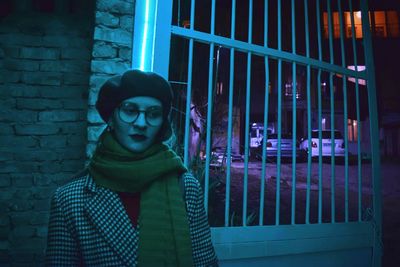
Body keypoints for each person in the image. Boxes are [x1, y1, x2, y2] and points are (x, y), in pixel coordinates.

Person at [45, 70, 219, 266]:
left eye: (153, 114)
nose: (141, 123)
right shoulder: (69, 199)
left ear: (161, 123)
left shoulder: (186, 188)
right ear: (111, 117)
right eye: (129, 110)